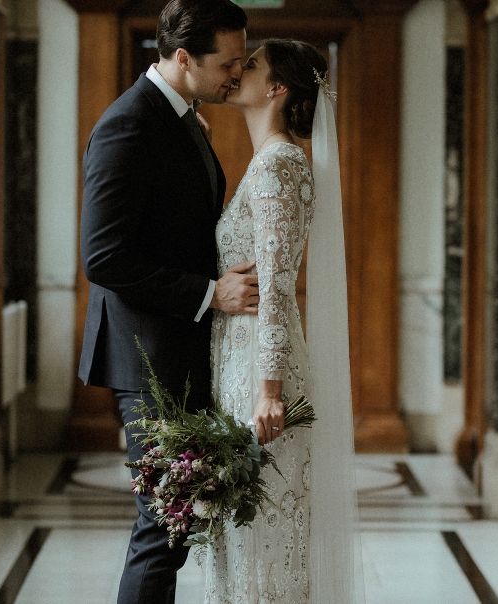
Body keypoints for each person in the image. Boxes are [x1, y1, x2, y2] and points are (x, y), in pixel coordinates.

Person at [78, 1, 258, 603]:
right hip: (148, 355)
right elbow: (103, 256)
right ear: (183, 58)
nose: (237, 72)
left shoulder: (182, 117)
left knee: (174, 530)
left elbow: (176, 224)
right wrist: (211, 292)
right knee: (163, 530)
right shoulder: (128, 123)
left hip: (178, 350)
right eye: (227, 63)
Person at [204, 39, 362, 603]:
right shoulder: (267, 161)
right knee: (246, 534)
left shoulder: (278, 165)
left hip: (262, 373)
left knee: (264, 532)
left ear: (277, 90)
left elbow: (275, 289)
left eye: (249, 66)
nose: (235, 72)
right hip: (241, 360)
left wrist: (268, 391)